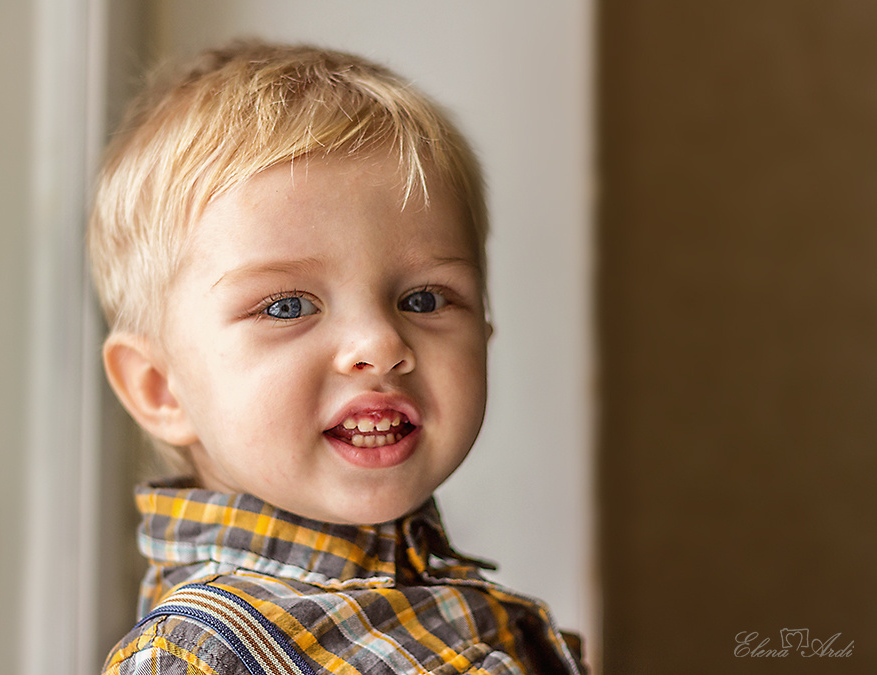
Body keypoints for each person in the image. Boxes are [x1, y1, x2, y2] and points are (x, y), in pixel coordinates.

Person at [89, 40, 587, 675]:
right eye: (289, 306)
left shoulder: (437, 600)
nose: (381, 344)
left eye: (425, 297)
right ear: (161, 388)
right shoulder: (200, 656)